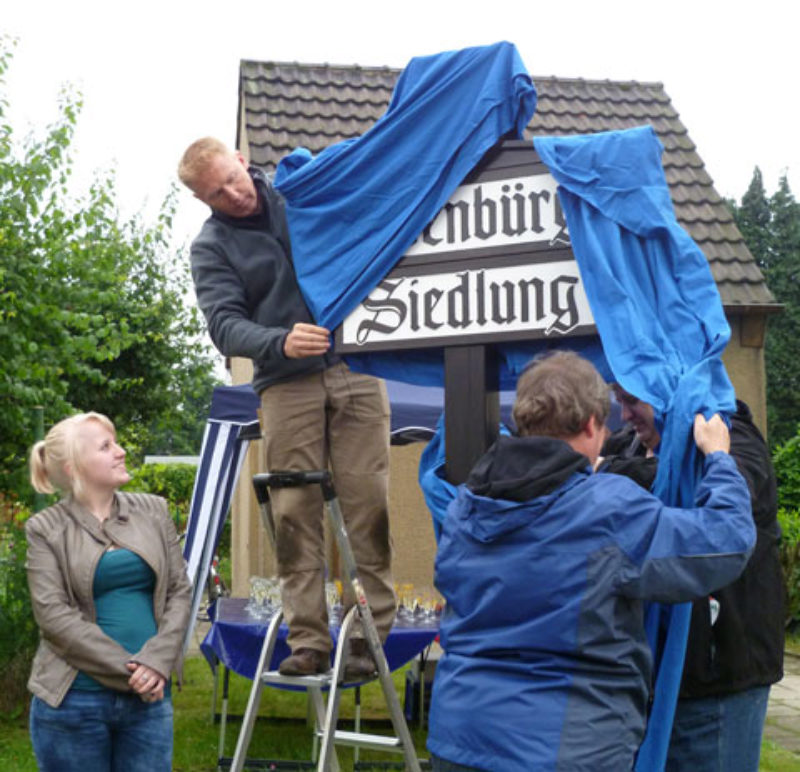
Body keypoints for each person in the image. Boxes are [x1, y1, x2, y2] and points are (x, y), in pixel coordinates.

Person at [426, 351, 756, 772]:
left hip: (459, 739)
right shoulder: (608, 510)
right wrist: (719, 459)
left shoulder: (465, 508)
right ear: (590, 425)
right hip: (563, 749)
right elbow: (725, 543)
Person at [177, 137, 395, 680]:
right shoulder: (211, 248)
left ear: (244, 162)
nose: (235, 194)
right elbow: (224, 324)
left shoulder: (303, 192)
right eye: (218, 193)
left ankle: (371, 640)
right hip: (284, 383)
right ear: (204, 201)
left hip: (359, 365)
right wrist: (278, 341)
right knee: (294, 512)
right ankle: (310, 642)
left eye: (234, 178)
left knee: (369, 504)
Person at [610, 387, 784, 772]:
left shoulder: (730, 435)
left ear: (668, 388)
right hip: (646, 684)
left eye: (632, 401)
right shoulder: (630, 445)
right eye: (617, 400)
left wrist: (607, 476)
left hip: (716, 684)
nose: (623, 415)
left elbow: (706, 506)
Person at [25, 412, 192, 772]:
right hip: (73, 702)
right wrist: (135, 670)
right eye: (106, 446)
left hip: (148, 703)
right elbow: (53, 616)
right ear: (74, 467)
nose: (120, 451)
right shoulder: (45, 528)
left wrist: (158, 661)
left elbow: (179, 591)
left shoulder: (153, 510)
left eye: (115, 442)